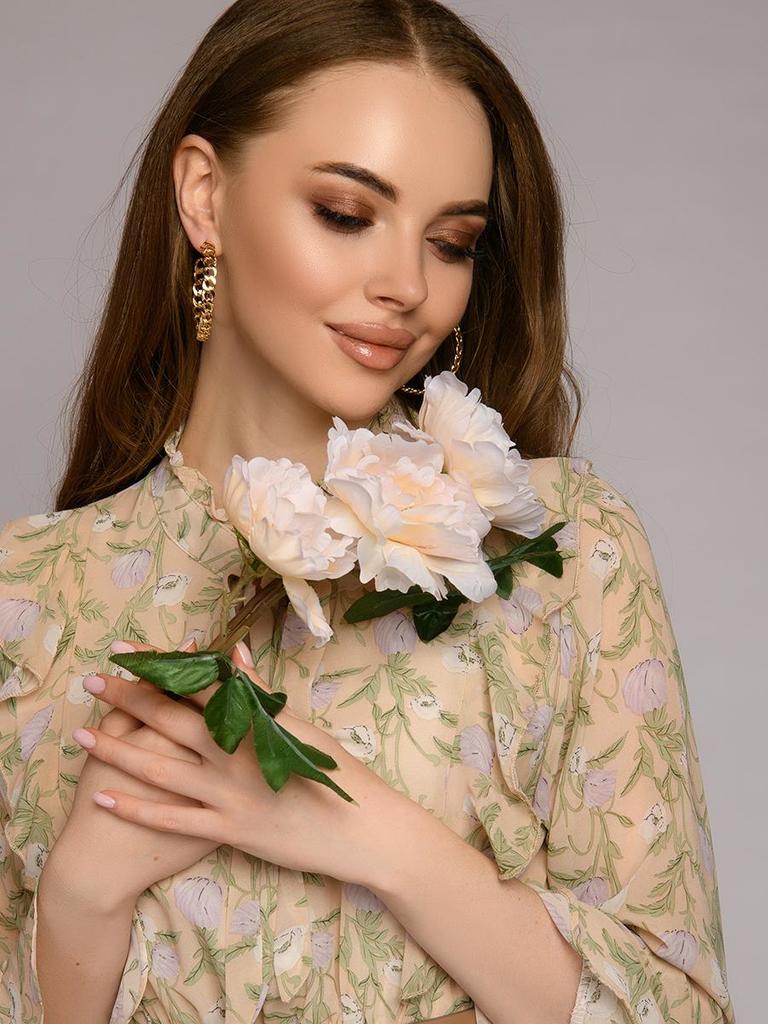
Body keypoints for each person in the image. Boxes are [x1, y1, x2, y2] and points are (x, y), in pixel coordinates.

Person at [0, 1, 733, 1023]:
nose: (406, 286)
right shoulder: (26, 601)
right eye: (347, 214)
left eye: (452, 243)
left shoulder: (562, 548)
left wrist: (374, 837)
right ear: (205, 197)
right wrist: (81, 900)